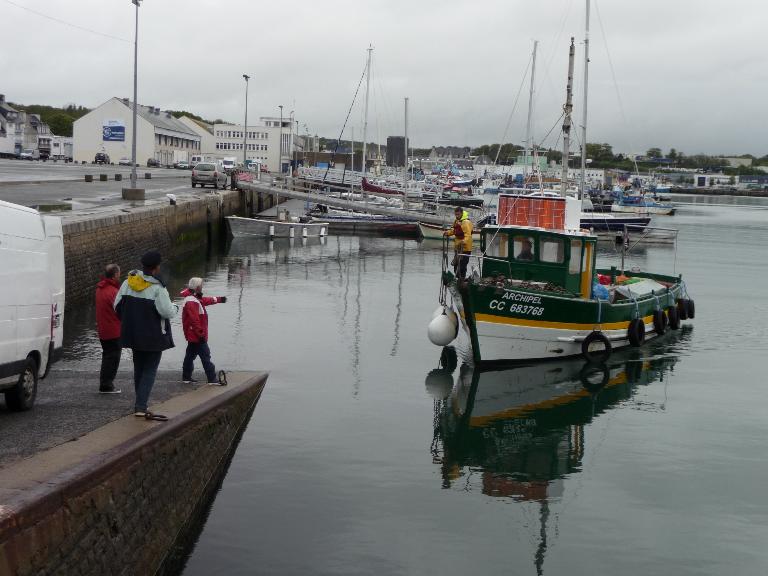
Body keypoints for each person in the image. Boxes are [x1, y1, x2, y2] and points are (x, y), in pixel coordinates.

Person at [114, 251, 178, 421]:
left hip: (132, 333)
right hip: (153, 336)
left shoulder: (128, 282)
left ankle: (140, 404)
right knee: (149, 370)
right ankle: (141, 406)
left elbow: (117, 306)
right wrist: (176, 307)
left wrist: (128, 322)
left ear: (142, 266)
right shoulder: (158, 288)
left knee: (139, 368)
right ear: (157, 267)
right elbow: (167, 312)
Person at [180, 278, 227, 385]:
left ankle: (186, 377)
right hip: (197, 335)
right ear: (197, 287)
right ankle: (212, 379)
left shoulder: (194, 298)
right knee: (206, 356)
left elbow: (205, 300)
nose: (202, 286)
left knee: (190, 356)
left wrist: (219, 299)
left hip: (193, 335)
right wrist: (200, 334)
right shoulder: (192, 301)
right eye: (201, 285)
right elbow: (194, 320)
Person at [95, 264, 122, 394]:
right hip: (113, 330)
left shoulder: (100, 289)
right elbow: (121, 311)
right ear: (115, 274)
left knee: (107, 357)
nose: (120, 275)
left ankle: (105, 383)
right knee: (113, 358)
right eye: (119, 273)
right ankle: (106, 385)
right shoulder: (113, 292)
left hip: (103, 329)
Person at [443, 206, 474, 280]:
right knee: (456, 266)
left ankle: (462, 279)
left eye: (458, 214)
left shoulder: (466, 222)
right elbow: (454, 230)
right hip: (457, 248)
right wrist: (448, 233)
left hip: (465, 249)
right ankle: (458, 279)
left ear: (462, 213)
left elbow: (468, 235)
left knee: (462, 266)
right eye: (456, 214)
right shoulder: (456, 221)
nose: (457, 216)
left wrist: (464, 241)